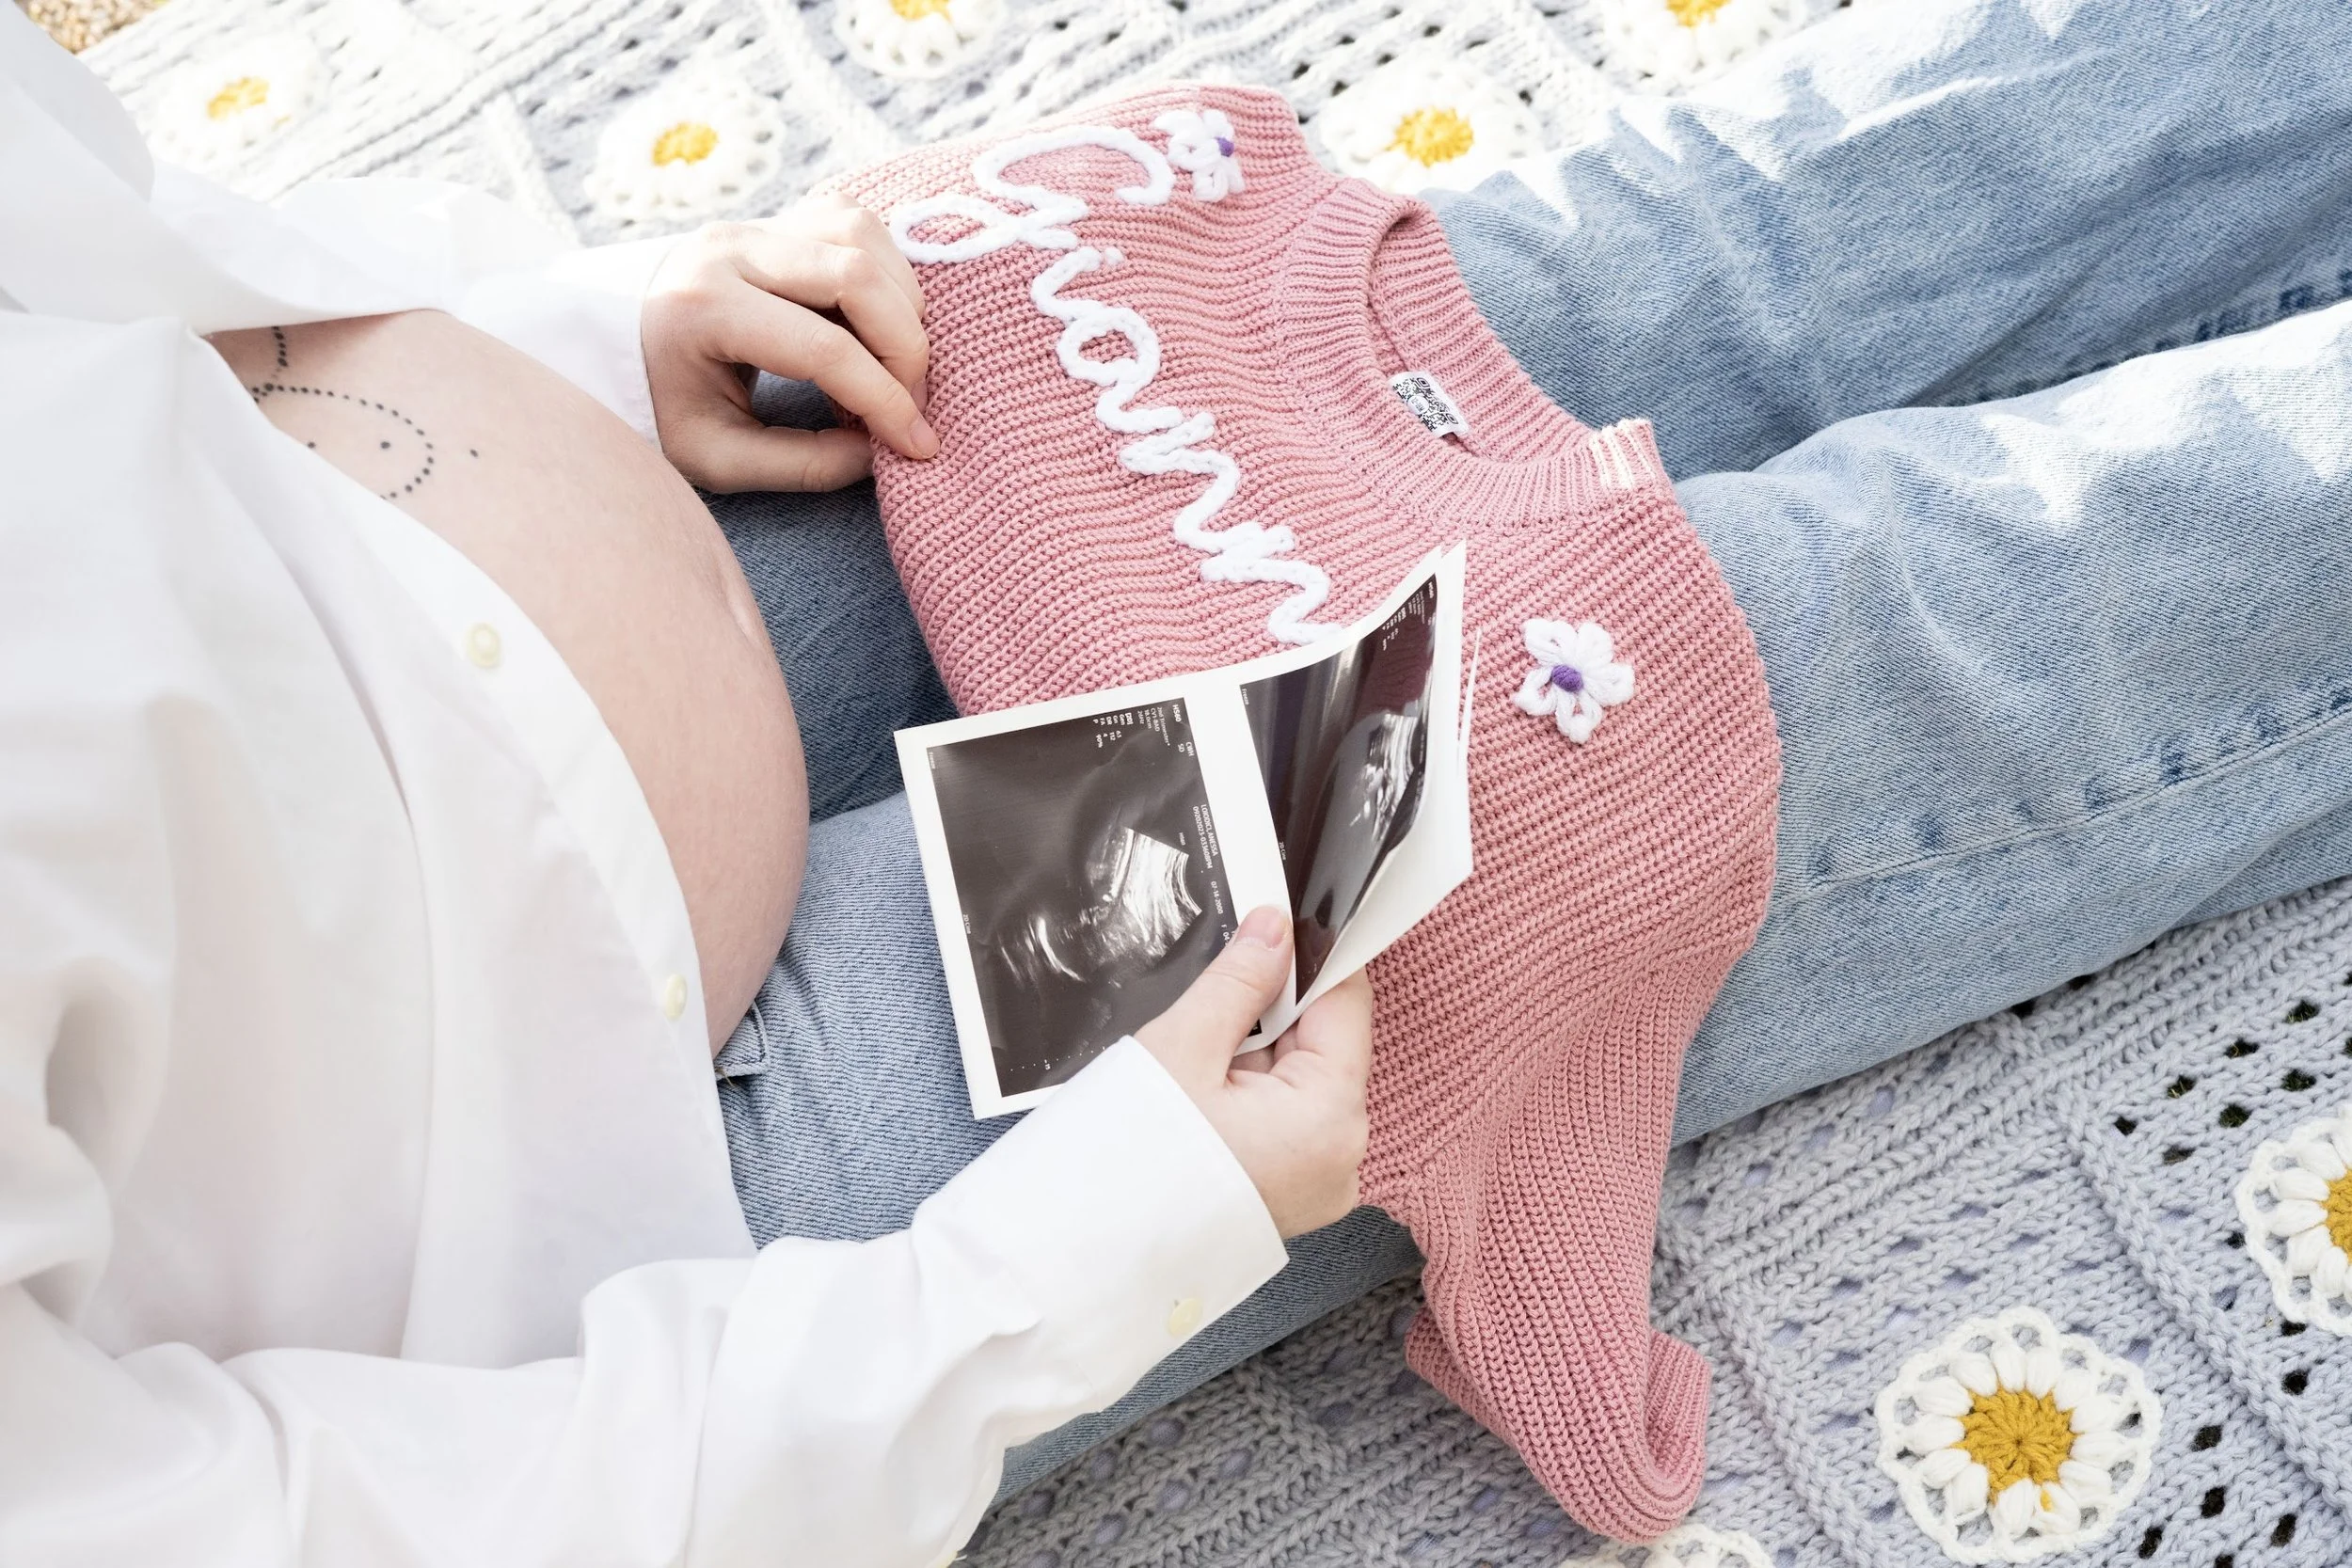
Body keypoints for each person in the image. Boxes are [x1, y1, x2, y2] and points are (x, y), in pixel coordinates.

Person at [5, 0, 2352, 1561]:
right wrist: (1047, 1268)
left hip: (613, 489)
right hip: (610, 1118)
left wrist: (573, 335)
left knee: (1659, 260)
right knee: (1719, 672)